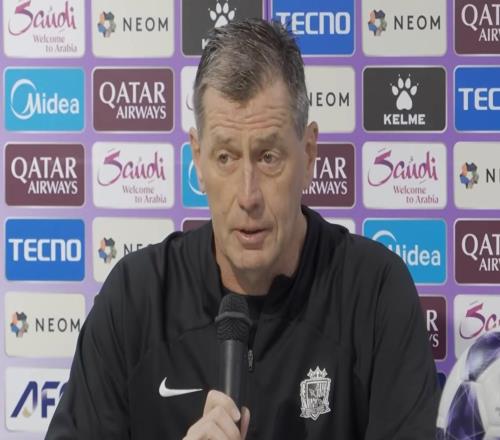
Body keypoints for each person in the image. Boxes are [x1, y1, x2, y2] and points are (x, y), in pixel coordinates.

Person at [46, 18, 440, 439]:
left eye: (268, 157)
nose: (248, 195)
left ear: (309, 154)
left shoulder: (375, 293)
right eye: (226, 158)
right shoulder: (136, 298)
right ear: (197, 159)